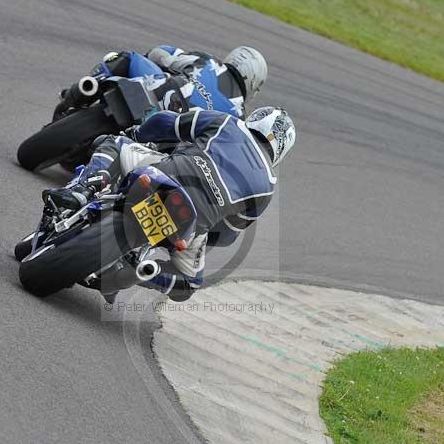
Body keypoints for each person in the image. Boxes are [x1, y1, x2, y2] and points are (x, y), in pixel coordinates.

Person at [43, 106, 296, 302]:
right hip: (193, 219)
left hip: (162, 175)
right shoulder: (268, 186)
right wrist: (201, 229)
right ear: (282, 151)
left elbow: (167, 123)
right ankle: (143, 270)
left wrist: (139, 134)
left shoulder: (227, 123)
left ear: (256, 118)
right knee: (189, 283)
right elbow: (227, 234)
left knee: (116, 143)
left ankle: (85, 189)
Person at [55, 46, 268, 120]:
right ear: (254, 83)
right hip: (174, 132)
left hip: (158, 90)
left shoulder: (207, 61)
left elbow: (163, 52)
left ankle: (83, 89)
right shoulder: (239, 115)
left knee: (127, 57)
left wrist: (160, 61)